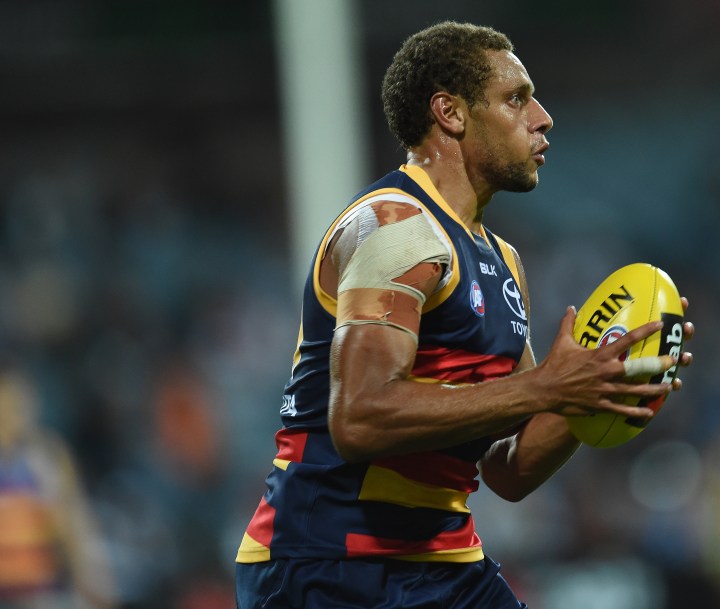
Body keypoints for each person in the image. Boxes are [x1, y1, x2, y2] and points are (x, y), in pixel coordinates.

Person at [235, 21, 694, 609]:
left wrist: (596, 389)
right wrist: (547, 387)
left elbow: (509, 468)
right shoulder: (394, 229)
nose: (543, 118)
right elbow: (360, 419)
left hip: (443, 562)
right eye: (516, 99)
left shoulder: (504, 262)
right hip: (329, 561)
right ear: (450, 113)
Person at [0, 364, 115, 609]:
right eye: (3, 409)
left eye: (15, 407)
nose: (8, 419)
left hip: (44, 595)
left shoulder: (46, 457)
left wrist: (96, 586)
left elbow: (75, 524)